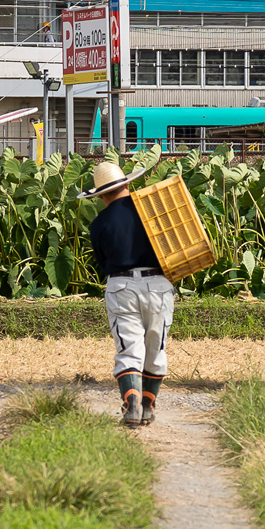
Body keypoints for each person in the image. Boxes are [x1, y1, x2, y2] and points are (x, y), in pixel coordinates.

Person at [82, 161, 174, 426]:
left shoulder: (99, 223)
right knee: (155, 346)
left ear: (100, 195)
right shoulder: (150, 209)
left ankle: (130, 406)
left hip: (120, 284)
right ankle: (148, 407)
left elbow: (102, 261)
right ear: (127, 184)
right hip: (157, 283)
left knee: (129, 347)